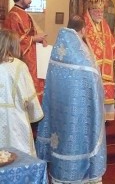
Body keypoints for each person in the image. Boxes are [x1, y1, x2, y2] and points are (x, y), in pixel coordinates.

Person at [36, 15, 106, 184]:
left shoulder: (59, 48)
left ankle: (59, 176)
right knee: (78, 138)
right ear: (83, 30)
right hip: (80, 109)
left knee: (60, 138)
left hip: (59, 107)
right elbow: (94, 80)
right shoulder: (82, 54)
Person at [0, 29, 43, 157]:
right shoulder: (19, 66)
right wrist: (36, 115)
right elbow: (30, 97)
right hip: (16, 120)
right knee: (20, 157)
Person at [3, 0, 48, 100]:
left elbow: (31, 33)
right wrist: (34, 39)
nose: (30, 0)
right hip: (23, 56)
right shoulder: (13, 15)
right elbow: (14, 40)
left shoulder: (24, 13)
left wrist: (41, 39)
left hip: (32, 54)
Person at [84, 0, 115, 121]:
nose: (100, 14)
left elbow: (110, 40)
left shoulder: (104, 24)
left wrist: (113, 52)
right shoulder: (84, 24)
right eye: (97, 11)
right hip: (91, 64)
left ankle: (104, 117)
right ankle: (92, 116)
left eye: (101, 11)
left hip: (105, 64)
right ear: (90, 11)